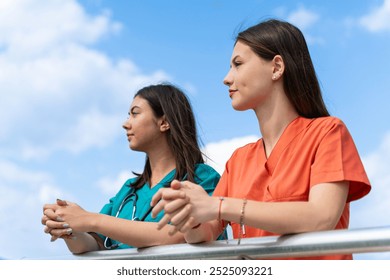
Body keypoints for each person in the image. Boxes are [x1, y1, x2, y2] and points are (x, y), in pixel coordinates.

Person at [150, 19, 371, 260]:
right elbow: (208, 232)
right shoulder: (239, 160)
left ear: (276, 67)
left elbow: (322, 217)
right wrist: (189, 216)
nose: (226, 78)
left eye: (238, 64)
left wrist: (220, 205)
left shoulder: (328, 132)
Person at [41, 83, 220, 253]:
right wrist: (68, 228)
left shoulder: (202, 178)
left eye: (135, 114)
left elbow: (183, 236)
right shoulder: (129, 189)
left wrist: (91, 219)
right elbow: (95, 245)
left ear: (164, 122)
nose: (126, 123)